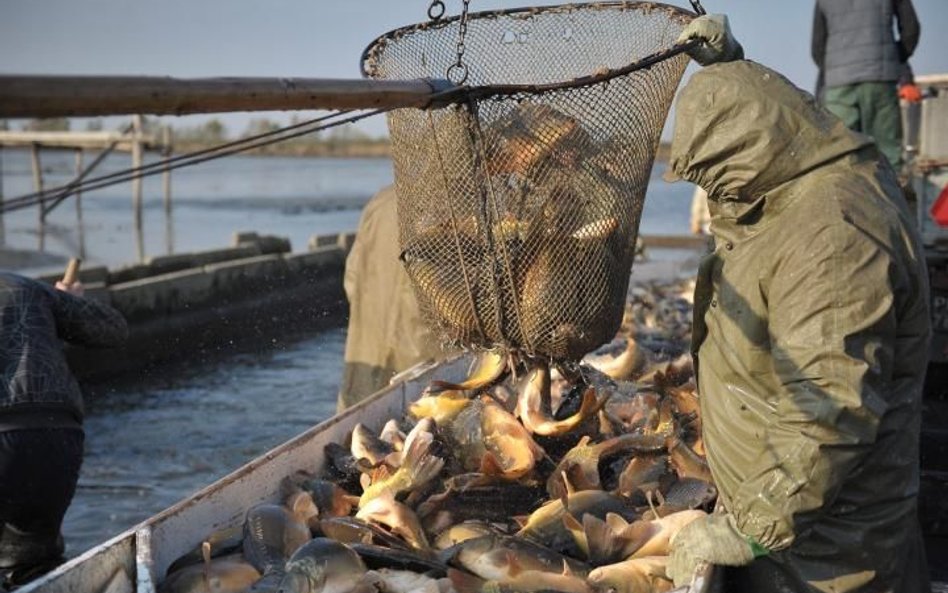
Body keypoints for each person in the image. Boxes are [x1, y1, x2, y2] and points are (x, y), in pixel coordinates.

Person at [664, 16, 931, 592]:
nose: (718, 195)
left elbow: (831, 401)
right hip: (809, 525)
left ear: (751, 155)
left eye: (722, 179)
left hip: (825, 557)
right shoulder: (819, 166)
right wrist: (731, 67)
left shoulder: (836, 234)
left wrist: (752, 528)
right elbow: (783, 120)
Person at [0, 272, 128, 590]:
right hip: (56, 435)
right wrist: (69, 303)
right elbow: (113, 329)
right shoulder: (27, 287)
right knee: (34, 569)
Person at [337, 185, 446, 411]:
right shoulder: (463, 207)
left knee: (356, 437)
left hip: (365, 373)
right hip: (424, 381)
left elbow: (351, 281)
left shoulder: (382, 201)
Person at [811, 0, 920, 171]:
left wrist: (837, 69)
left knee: (840, 156)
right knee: (887, 155)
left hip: (839, 85)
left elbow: (817, 48)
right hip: (880, 80)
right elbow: (911, 30)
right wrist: (892, 57)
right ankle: (892, 196)